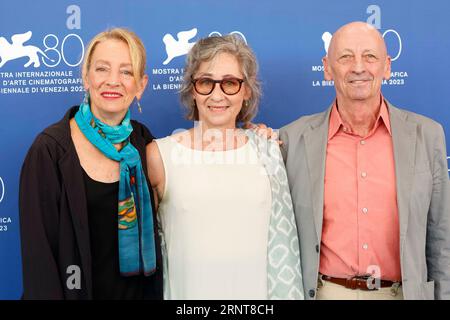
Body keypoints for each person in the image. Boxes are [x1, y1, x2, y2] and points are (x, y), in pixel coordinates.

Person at [280, 21, 450, 300]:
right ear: (327, 67)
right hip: (325, 293)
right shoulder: (292, 138)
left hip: (402, 293)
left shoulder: (427, 135)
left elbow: (442, 240)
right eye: (345, 57)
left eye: (370, 56)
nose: (358, 67)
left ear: (387, 66)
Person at [147, 35, 303, 300]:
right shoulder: (159, 155)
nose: (217, 95)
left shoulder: (269, 151)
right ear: (192, 89)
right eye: (206, 82)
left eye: (230, 83)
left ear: (246, 91)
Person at [19, 28, 162, 299]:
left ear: (141, 85)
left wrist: (254, 133)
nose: (113, 81)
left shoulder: (145, 143)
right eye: (102, 69)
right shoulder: (49, 150)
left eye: (126, 72)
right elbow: (40, 262)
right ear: (86, 77)